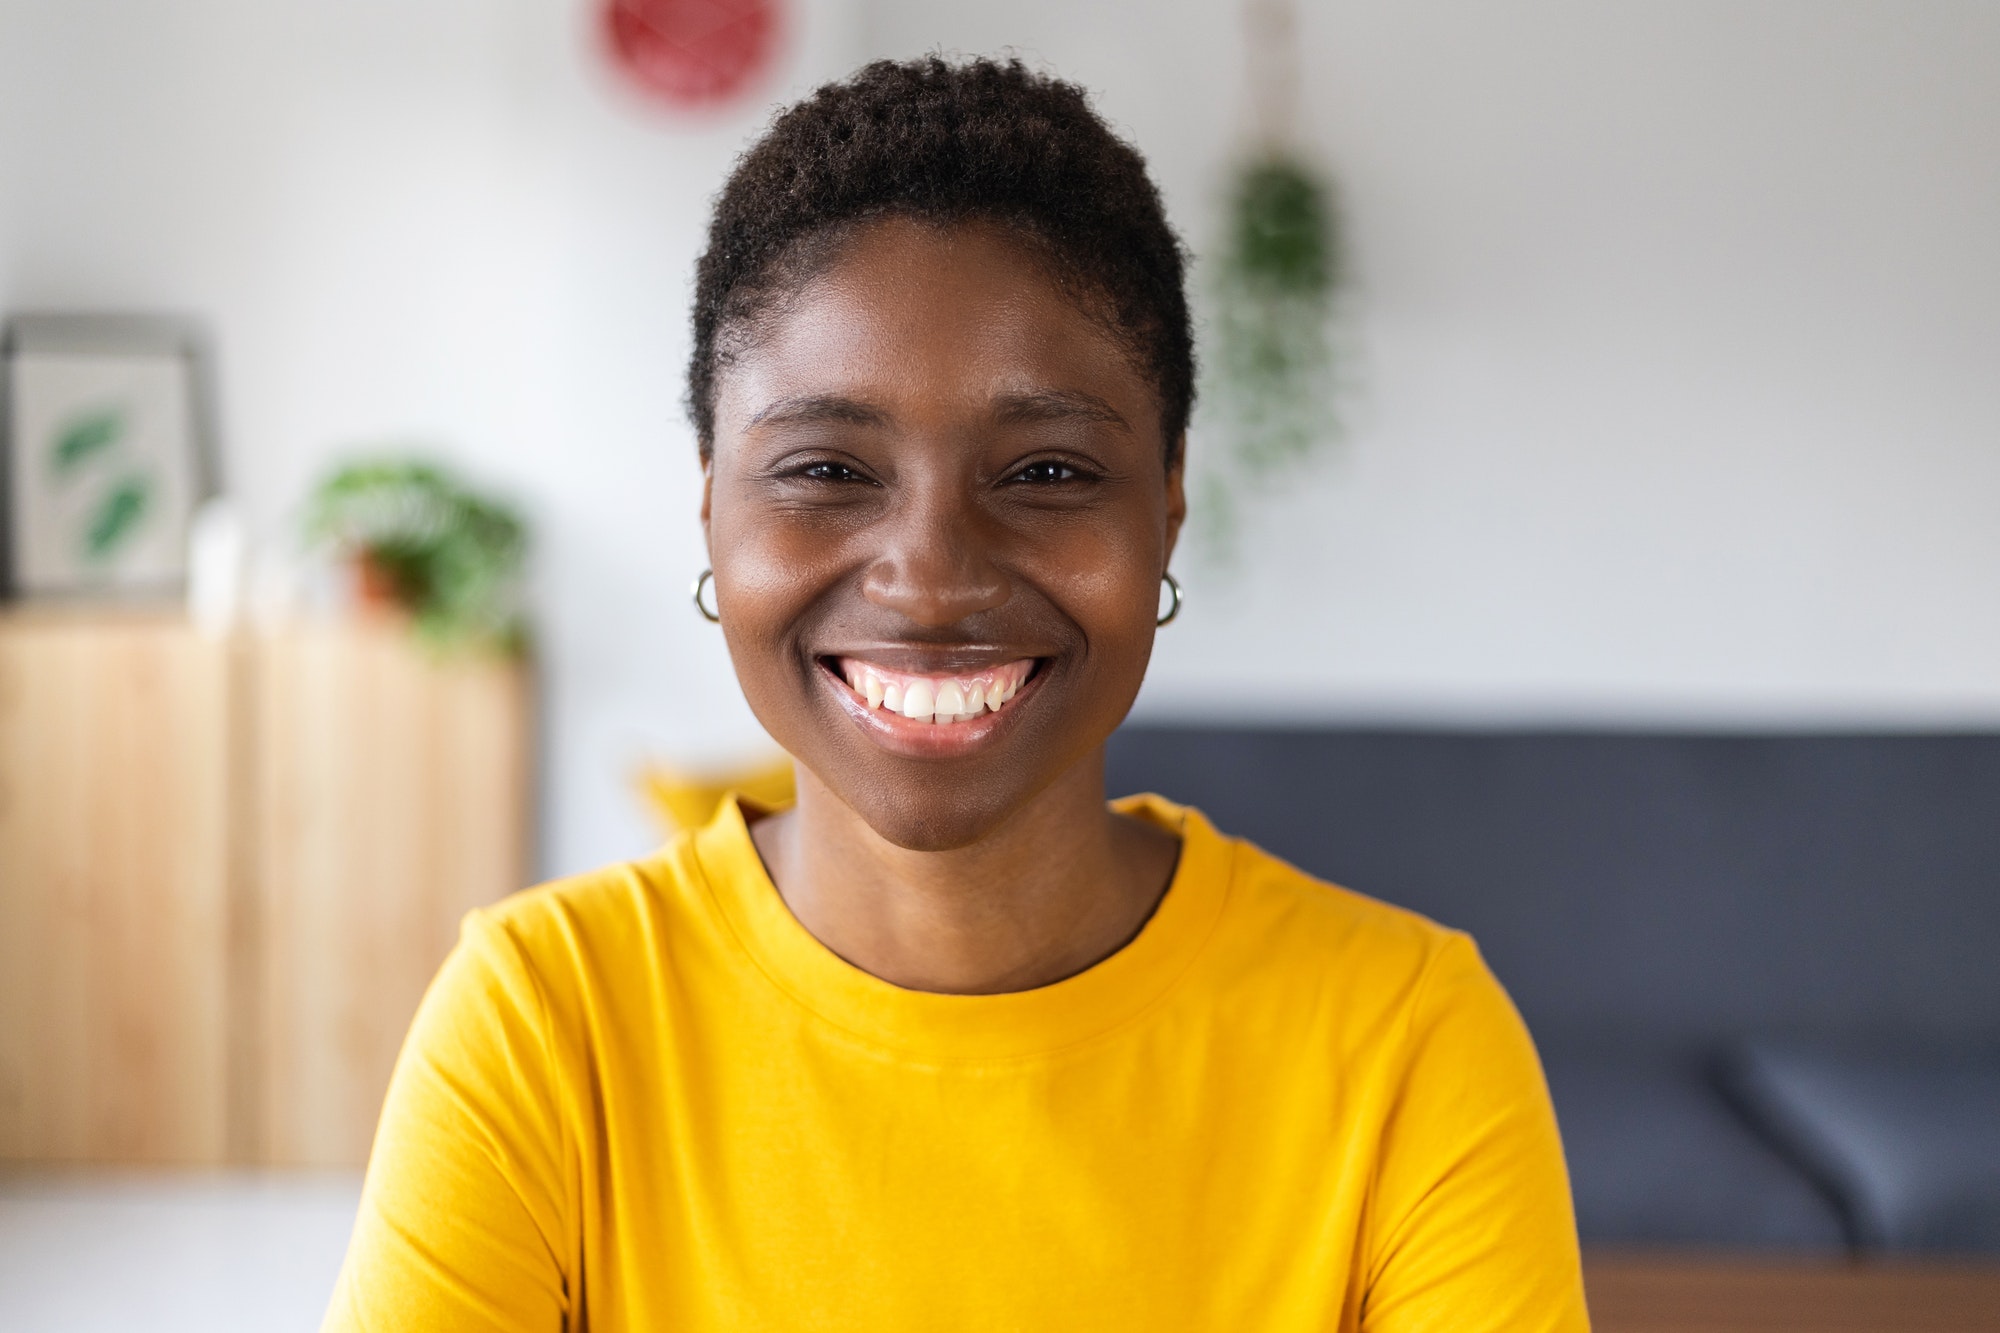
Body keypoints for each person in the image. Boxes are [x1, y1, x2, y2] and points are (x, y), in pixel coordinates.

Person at [324, 57, 1588, 1332]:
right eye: (824, 466)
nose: (928, 576)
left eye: (1044, 469)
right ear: (711, 502)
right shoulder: (544, 1025)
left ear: (1166, 504)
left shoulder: (1408, 1043)